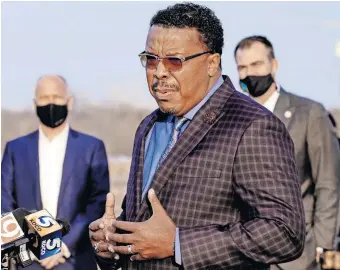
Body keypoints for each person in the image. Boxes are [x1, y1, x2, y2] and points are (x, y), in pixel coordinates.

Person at [89, 3, 306, 269]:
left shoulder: (252, 125)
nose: (159, 72)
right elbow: (144, 223)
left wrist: (178, 244)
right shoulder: (148, 127)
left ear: (212, 63)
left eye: (174, 61)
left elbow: (285, 233)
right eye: (151, 59)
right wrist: (112, 240)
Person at [234, 35, 340, 270]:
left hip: (299, 255)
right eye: (242, 67)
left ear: (274, 65)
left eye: (256, 64)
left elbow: (328, 182)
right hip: (243, 254)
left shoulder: (310, 113)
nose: (249, 73)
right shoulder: (232, 118)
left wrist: (324, 245)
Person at [1, 75, 110, 270]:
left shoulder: (91, 148)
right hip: (29, 263)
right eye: (44, 98)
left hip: (75, 260)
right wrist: (32, 248)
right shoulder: (15, 149)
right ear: (35, 103)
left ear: (69, 101)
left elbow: (96, 203)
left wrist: (62, 245)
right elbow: (6, 205)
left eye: (56, 97)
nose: (50, 103)